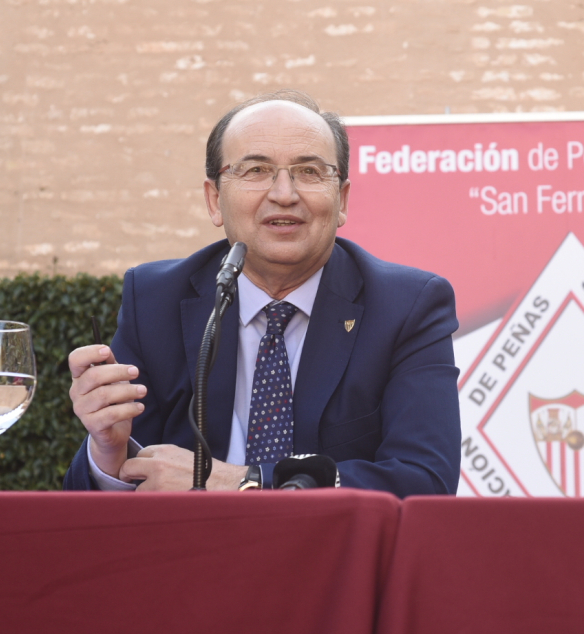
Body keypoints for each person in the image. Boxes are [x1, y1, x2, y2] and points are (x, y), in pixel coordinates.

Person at [63, 90, 460, 496]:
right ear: (215, 200)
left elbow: (424, 480)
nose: (284, 194)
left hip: (337, 553)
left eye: (309, 172)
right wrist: (109, 452)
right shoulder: (155, 300)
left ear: (341, 200)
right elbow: (104, 507)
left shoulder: (408, 307)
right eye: (255, 171)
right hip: (192, 554)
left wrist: (239, 481)